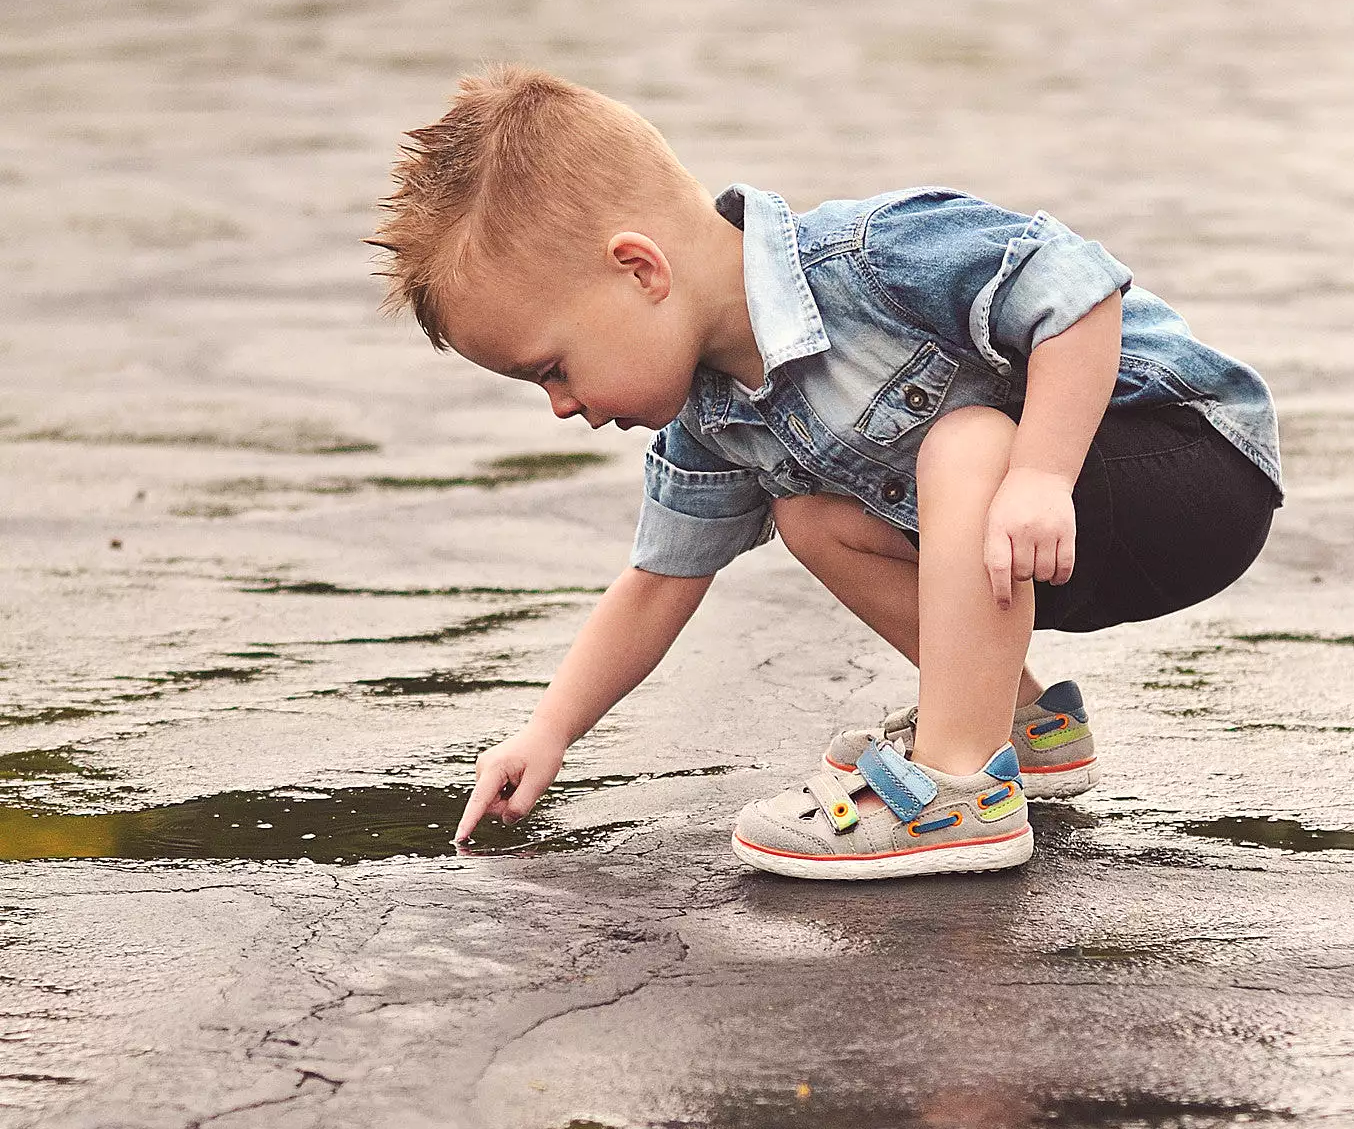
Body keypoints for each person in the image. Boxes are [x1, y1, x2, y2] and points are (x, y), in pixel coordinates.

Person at [367, 64, 1282, 880]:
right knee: (811, 515)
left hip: (1185, 467)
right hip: (1041, 553)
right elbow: (657, 580)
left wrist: (1041, 473)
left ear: (639, 269)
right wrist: (548, 733)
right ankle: (1022, 726)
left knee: (962, 440)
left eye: (552, 369)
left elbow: (1079, 289)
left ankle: (957, 790)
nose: (562, 407)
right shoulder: (715, 415)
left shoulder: (873, 257)